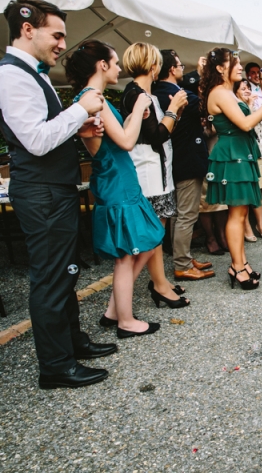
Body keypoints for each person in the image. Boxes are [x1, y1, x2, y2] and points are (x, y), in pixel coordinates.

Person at [0, 0, 115, 389]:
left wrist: (75, 129)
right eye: (58, 34)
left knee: (66, 271)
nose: (63, 45)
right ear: (27, 29)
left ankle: (72, 343)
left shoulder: (32, 72)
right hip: (42, 191)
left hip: (54, 188)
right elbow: (34, 140)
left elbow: (45, 132)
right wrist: (81, 109)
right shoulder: (11, 75)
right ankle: (55, 366)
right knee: (50, 277)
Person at [64, 39, 165, 338]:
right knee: (127, 254)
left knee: (147, 243)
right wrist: (139, 106)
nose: (120, 67)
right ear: (102, 65)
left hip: (118, 178)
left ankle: (114, 310)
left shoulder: (93, 97)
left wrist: (136, 115)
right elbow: (125, 141)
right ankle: (126, 321)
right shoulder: (93, 97)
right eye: (115, 62)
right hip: (116, 180)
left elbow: (117, 135)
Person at [201, 47, 262, 290]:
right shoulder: (220, 93)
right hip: (232, 156)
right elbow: (245, 124)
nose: (240, 68)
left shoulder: (227, 92)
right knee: (236, 213)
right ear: (221, 68)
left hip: (239, 154)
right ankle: (236, 267)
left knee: (241, 212)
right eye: (235, 63)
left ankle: (242, 263)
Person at [120, 43, 190, 309]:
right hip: (148, 173)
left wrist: (175, 112)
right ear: (153, 66)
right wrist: (173, 108)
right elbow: (157, 136)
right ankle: (154, 288)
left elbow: (163, 130)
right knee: (154, 233)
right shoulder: (136, 94)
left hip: (160, 171)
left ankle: (160, 282)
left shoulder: (145, 93)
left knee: (157, 233)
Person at [154, 49, 214, 281]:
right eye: (179, 65)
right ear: (172, 69)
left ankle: (183, 257)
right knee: (186, 215)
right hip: (188, 160)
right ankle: (182, 264)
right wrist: (202, 75)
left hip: (173, 160)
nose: (182, 69)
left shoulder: (156, 92)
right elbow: (206, 108)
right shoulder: (177, 94)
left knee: (178, 214)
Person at [234, 80, 262, 241]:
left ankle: (260, 224)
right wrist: (250, 104)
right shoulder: (234, 106)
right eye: (243, 88)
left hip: (257, 151)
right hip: (241, 153)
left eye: (248, 88)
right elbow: (246, 125)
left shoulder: (258, 106)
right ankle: (246, 226)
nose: (247, 91)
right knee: (246, 192)